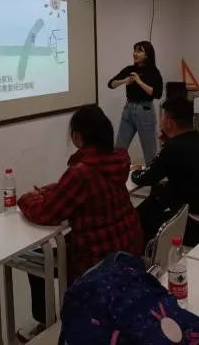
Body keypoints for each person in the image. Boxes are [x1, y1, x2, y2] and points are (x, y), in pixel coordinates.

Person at [16, 106, 143, 341]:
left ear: (77, 136)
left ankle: (45, 323)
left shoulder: (81, 172)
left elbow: (46, 213)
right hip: (128, 248)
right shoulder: (118, 159)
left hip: (96, 260)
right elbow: (80, 190)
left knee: (35, 258)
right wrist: (51, 190)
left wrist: (25, 199)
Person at [131, 97, 199, 247]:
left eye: (162, 117)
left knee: (137, 219)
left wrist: (135, 171)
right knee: (155, 200)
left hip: (196, 224)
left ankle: (142, 253)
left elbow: (145, 178)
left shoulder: (173, 147)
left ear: (169, 123)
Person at [108, 41, 163, 165]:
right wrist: (124, 81)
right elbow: (111, 84)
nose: (135, 53)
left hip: (144, 111)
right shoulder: (129, 69)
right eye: (135, 50)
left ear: (147, 54)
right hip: (128, 110)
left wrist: (139, 81)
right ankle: (117, 174)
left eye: (139, 51)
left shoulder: (153, 72)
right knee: (119, 149)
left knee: (150, 152)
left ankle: (152, 176)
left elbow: (157, 94)